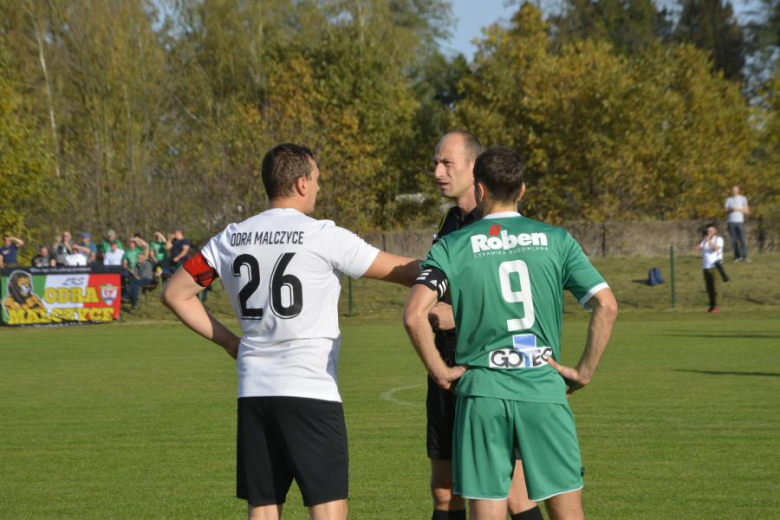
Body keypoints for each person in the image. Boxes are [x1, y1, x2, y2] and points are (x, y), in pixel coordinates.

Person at [161, 143, 421, 520]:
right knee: (329, 506)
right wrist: (454, 267)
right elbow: (402, 271)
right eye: (316, 179)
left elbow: (175, 293)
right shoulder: (321, 235)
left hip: (254, 392)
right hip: (309, 390)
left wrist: (231, 342)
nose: (319, 186)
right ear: (301, 183)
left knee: (263, 509)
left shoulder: (231, 238)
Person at [404, 147, 618, 520]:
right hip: (542, 388)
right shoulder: (557, 240)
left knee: (488, 508)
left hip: (482, 393)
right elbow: (607, 305)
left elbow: (413, 316)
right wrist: (583, 372)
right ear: (522, 190)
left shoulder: (453, 245)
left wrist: (440, 371)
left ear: (480, 190)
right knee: (567, 512)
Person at [425, 131, 540, 520]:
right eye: (436, 162)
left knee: (513, 493)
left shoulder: (496, 224)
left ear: (475, 169)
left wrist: (455, 313)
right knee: (444, 491)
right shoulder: (453, 220)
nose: (437, 171)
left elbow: (520, 300)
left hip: (487, 370)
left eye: (446, 163)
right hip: (444, 368)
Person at [696, 223, 727, 313]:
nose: (710, 232)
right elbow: (697, 247)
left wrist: (709, 240)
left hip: (715, 266)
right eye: (708, 231)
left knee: (716, 286)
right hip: (706, 266)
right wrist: (703, 239)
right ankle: (711, 305)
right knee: (709, 287)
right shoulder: (705, 240)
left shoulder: (719, 239)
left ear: (715, 231)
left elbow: (715, 248)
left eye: (711, 230)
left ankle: (717, 306)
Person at [724, 185, 750, 262]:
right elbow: (725, 211)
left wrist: (738, 209)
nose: (734, 191)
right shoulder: (728, 199)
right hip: (731, 222)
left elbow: (747, 211)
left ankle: (745, 257)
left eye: (736, 190)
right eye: (733, 190)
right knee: (734, 240)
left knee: (742, 239)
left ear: (738, 191)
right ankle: (737, 257)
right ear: (731, 191)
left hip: (740, 222)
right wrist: (731, 209)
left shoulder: (743, 198)